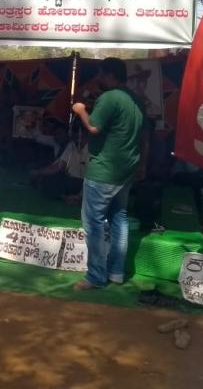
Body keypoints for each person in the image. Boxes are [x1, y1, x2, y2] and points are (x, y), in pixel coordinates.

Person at [70, 57, 145, 289]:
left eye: (100, 75)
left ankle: (95, 276)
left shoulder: (110, 97)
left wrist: (81, 109)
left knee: (93, 223)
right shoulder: (136, 99)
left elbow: (94, 127)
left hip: (104, 170)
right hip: (126, 169)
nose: (98, 79)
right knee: (119, 219)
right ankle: (116, 273)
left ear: (108, 74)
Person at [29, 122, 89, 203]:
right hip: (71, 180)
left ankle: (77, 198)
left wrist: (80, 195)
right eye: (75, 133)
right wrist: (38, 172)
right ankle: (66, 197)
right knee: (46, 180)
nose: (78, 136)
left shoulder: (92, 149)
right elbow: (58, 166)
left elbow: (93, 177)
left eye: (80, 133)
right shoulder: (71, 145)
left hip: (86, 183)